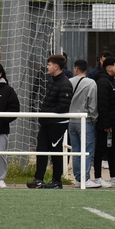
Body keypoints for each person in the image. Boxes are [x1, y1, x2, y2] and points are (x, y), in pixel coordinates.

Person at [27, 54, 74, 189]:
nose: (47, 67)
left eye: (49, 64)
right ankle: (39, 178)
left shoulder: (65, 83)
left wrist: (47, 113)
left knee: (55, 152)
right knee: (41, 150)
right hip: (46, 123)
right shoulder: (52, 81)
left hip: (57, 125)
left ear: (56, 66)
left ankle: (56, 181)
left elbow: (63, 106)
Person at [94, 56, 115, 187]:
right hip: (105, 125)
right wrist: (106, 124)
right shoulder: (103, 82)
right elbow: (103, 104)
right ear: (109, 68)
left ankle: (113, 177)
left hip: (112, 123)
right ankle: (97, 177)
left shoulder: (110, 81)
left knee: (113, 149)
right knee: (101, 150)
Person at [68, 59, 100, 188]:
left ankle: (77, 178)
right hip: (85, 120)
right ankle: (85, 178)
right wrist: (94, 118)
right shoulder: (91, 83)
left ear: (76, 69)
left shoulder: (69, 82)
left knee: (76, 151)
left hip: (71, 119)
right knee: (87, 150)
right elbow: (92, 104)